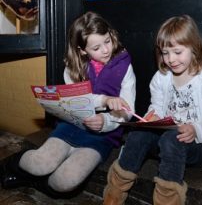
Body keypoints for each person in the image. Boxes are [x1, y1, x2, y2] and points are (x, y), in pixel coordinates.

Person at [0, 11, 136, 198]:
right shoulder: (73, 67)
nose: (105, 50)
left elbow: (128, 111)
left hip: (103, 135)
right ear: (82, 50)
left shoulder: (124, 65)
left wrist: (105, 121)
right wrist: (103, 100)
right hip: (72, 126)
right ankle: (10, 165)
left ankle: (33, 181)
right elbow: (79, 101)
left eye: (107, 41)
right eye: (96, 47)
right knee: (41, 163)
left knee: (65, 181)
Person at [103, 15, 202, 205]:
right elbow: (157, 107)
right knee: (138, 133)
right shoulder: (161, 78)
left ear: (194, 48)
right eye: (165, 53)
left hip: (196, 145)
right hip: (164, 139)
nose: (171, 59)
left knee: (173, 138)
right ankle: (114, 196)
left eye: (177, 52)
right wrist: (151, 117)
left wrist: (196, 129)